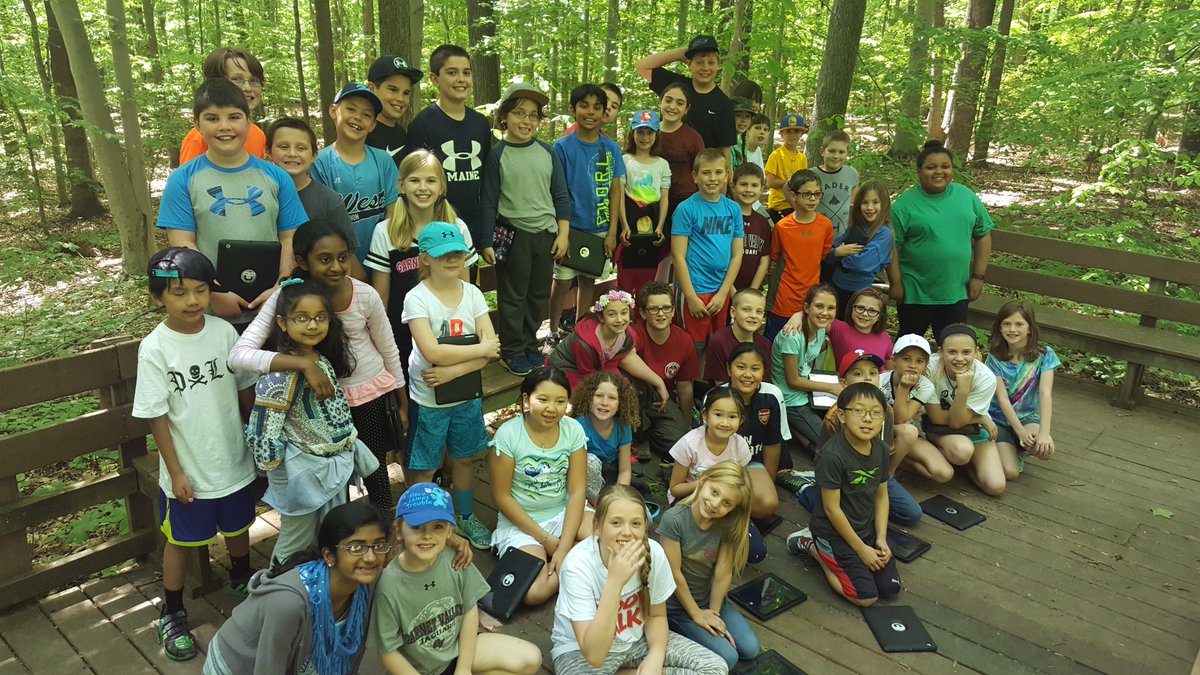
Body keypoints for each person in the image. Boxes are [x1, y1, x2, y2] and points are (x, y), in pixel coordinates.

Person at [230, 220, 409, 518]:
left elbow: (389, 349)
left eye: (344, 257)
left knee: (374, 466)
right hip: (316, 405)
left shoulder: (364, 295)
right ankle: (339, 541)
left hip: (368, 394)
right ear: (302, 261)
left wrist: (402, 401)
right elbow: (239, 355)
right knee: (330, 476)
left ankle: (382, 532)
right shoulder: (288, 296)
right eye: (324, 259)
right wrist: (302, 363)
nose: (337, 267)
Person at [132, 248, 258, 661]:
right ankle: (172, 611)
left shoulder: (223, 332)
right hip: (189, 470)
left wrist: (258, 439)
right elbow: (157, 417)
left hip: (233, 458)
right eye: (179, 292)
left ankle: (243, 577)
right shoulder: (155, 348)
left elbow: (244, 388)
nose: (191, 301)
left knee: (240, 525)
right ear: (158, 298)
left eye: (201, 291)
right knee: (180, 540)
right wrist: (175, 471)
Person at [242, 279, 378, 565]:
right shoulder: (279, 377)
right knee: (295, 542)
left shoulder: (321, 360)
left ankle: (321, 591)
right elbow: (263, 431)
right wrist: (279, 475)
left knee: (330, 533)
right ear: (281, 322)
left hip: (332, 466)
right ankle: (276, 592)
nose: (312, 325)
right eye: (301, 318)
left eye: (320, 317)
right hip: (301, 476)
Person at [157, 79, 306, 321]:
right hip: (211, 310)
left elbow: (290, 236)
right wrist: (215, 291)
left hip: (273, 307)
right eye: (212, 118)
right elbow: (184, 244)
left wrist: (281, 286)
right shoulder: (182, 179)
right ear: (197, 124)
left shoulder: (277, 177)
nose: (224, 127)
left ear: (248, 122)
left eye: (234, 117)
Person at [550, 484, 728, 675]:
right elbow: (595, 656)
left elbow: (657, 615)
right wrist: (615, 583)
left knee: (716, 668)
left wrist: (656, 657)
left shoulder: (654, 553)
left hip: (636, 641)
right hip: (581, 652)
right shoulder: (577, 566)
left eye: (635, 524)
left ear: (645, 526)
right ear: (597, 526)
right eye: (616, 523)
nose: (627, 532)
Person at [369, 483, 543, 675]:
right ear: (399, 530)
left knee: (530, 658)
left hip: (457, 653)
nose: (427, 536)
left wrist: (463, 668)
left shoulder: (455, 558)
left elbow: (469, 610)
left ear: (450, 530)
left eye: (438, 527)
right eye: (417, 527)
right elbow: (388, 650)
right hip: (415, 669)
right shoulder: (389, 584)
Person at [202, 502, 388, 674]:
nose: (371, 557)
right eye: (356, 548)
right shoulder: (289, 604)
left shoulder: (369, 582)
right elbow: (268, 669)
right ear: (329, 556)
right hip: (238, 666)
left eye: (378, 545)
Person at [402, 222, 498, 549]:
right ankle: (419, 523)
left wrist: (452, 372)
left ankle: (466, 517)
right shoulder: (417, 298)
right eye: (444, 254)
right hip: (429, 400)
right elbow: (432, 351)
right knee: (425, 465)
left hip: (464, 394)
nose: (453, 259)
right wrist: (480, 352)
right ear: (425, 258)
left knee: (463, 458)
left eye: (458, 252)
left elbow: (491, 349)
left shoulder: (471, 294)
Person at [366, 150, 478, 398]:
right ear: (401, 185)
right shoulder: (386, 232)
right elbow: (381, 300)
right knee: (410, 407)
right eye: (415, 180)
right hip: (402, 336)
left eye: (431, 180)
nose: (423, 188)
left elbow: (466, 290)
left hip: (448, 334)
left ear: (442, 187)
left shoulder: (457, 229)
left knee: (451, 401)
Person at [480, 83, 571, 376]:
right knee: (513, 295)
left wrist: (563, 233)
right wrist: (485, 241)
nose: (527, 121)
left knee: (538, 294)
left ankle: (531, 345)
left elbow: (560, 196)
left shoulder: (548, 151)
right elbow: (489, 201)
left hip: (545, 236)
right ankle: (512, 349)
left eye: (534, 115)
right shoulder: (497, 155)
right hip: (513, 235)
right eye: (519, 113)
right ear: (505, 116)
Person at [785, 383, 901, 607]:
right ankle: (813, 546)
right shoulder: (832, 455)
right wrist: (861, 550)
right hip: (833, 534)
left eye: (876, 413)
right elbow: (831, 508)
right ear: (842, 415)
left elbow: (881, 496)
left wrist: (881, 539)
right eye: (858, 411)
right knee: (866, 597)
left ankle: (853, 553)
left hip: (865, 529)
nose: (868, 419)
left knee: (890, 587)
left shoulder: (880, 449)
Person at [490, 368, 593, 606]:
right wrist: (547, 541)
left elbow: (578, 491)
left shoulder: (573, 430)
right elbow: (502, 497)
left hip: (564, 512)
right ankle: (583, 562)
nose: (551, 408)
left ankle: (570, 556)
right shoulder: (508, 435)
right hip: (522, 523)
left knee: (614, 542)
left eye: (560, 401)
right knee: (533, 592)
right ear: (527, 400)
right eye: (543, 399)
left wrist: (564, 547)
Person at [796, 352, 922, 526]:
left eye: (873, 373)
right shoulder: (836, 416)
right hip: (843, 477)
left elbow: (883, 454)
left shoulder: (886, 411)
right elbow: (823, 458)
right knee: (840, 514)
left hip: (874, 473)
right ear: (844, 383)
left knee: (912, 514)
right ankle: (807, 491)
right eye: (858, 373)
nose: (867, 378)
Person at [887, 140, 994, 340]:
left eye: (945, 166)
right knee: (908, 346)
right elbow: (893, 247)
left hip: (955, 290)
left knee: (953, 348)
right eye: (931, 167)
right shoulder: (904, 205)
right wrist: (896, 283)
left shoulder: (966, 196)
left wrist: (978, 277)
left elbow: (983, 234)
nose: (939, 172)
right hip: (915, 292)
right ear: (918, 171)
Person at [659, 462, 760, 670]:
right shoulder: (675, 520)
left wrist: (713, 614)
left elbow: (722, 573)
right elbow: (674, 573)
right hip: (677, 606)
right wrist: (696, 614)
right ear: (703, 481)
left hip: (709, 600)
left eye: (726, 503)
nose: (715, 504)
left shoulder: (726, 524)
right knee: (728, 658)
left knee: (750, 649)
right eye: (714, 492)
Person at [546, 84, 627, 341]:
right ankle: (553, 331)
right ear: (573, 110)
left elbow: (616, 190)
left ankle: (579, 329)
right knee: (561, 282)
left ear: (604, 113)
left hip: (600, 227)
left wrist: (612, 232)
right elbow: (557, 191)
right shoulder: (562, 147)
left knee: (588, 280)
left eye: (597, 107)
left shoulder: (611, 148)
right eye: (584, 106)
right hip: (570, 227)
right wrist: (563, 231)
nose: (590, 112)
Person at [403, 45, 494, 259]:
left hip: (472, 229)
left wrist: (485, 233)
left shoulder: (480, 123)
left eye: (466, 72)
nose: (461, 79)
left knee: (468, 290)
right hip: (435, 231)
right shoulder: (423, 124)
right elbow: (414, 182)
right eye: (452, 73)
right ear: (435, 79)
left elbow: (486, 180)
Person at [667, 390, 766, 563]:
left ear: (741, 420)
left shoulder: (740, 446)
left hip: (724, 503)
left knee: (756, 552)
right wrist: (704, 484)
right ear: (705, 415)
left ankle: (717, 539)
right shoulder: (689, 444)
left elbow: (739, 486)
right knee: (698, 546)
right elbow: (675, 488)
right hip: (691, 499)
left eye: (732, 417)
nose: (725, 423)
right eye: (718, 414)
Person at [266, 116, 366, 282]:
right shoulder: (260, 195)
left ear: (313, 155)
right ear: (269, 152)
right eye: (283, 147)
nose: (292, 154)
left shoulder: (329, 200)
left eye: (301, 148)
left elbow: (347, 256)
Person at [310, 83, 400, 264]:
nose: (358, 117)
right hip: (337, 264)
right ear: (334, 111)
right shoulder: (319, 163)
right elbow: (322, 225)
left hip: (382, 259)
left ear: (373, 124)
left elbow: (393, 212)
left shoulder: (383, 161)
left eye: (367, 115)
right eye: (351, 109)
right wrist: (352, 265)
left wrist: (383, 260)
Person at [546, 289, 670, 406]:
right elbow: (589, 377)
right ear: (601, 317)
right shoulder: (584, 343)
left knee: (625, 390)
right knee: (591, 399)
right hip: (569, 369)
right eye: (612, 314)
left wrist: (658, 383)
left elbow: (615, 362)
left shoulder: (627, 336)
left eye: (624, 313)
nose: (619, 319)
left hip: (599, 368)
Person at [672, 148, 744, 345]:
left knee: (717, 343)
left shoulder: (733, 209)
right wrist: (690, 296)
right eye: (706, 172)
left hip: (720, 291)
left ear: (727, 175)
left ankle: (714, 378)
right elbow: (678, 256)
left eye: (719, 172)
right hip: (695, 290)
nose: (713, 178)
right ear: (695, 176)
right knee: (692, 347)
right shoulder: (686, 209)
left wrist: (724, 293)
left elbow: (737, 254)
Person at [925, 324, 1004, 496]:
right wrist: (979, 415)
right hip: (941, 429)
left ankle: (967, 466)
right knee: (962, 451)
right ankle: (952, 455)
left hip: (974, 430)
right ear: (940, 352)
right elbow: (941, 419)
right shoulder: (930, 367)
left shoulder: (985, 377)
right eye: (952, 352)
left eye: (966, 352)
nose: (959, 358)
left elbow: (958, 420)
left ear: (976, 352)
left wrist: (978, 420)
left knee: (996, 487)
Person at [711, 342, 793, 501]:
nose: (747, 374)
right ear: (729, 369)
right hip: (722, 463)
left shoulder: (772, 395)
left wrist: (768, 483)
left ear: (763, 372)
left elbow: (773, 443)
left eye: (755, 369)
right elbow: (708, 445)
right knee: (722, 496)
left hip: (754, 462)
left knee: (768, 503)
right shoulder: (715, 397)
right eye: (740, 367)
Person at [986, 300, 1060, 475]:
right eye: (1007, 324)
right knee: (1011, 473)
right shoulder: (994, 358)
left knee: (1044, 451)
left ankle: (1016, 446)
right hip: (999, 419)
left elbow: (1045, 394)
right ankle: (1006, 445)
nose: (1012, 329)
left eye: (1019, 324)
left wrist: (1044, 432)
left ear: (1029, 329)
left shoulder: (1045, 354)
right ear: (1000, 328)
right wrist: (1019, 431)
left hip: (1027, 417)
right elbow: (1002, 399)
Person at [636, 34, 737, 158]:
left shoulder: (724, 104)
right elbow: (642, 66)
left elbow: (724, 151)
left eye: (711, 63)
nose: (705, 68)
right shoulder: (675, 86)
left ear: (718, 65)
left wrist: (726, 176)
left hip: (700, 170)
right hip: (660, 163)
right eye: (699, 62)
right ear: (689, 64)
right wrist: (681, 53)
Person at [632, 281, 698, 461]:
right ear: (643, 313)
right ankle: (638, 437)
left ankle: (652, 432)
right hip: (632, 399)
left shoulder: (684, 340)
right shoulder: (635, 333)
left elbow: (685, 388)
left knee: (680, 444)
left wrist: (687, 427)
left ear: (673, 311)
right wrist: (657, 381)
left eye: (666, 308)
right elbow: (624, 358)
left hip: (661, 402)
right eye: (654, 309)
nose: (661, 314)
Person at [766, 170, 834, 339]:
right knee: (775, 343)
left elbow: (823, 254)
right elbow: (775, 258)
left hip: (811, 298)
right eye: (806, 194)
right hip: (783, 298)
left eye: (817, 194)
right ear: (794, 195)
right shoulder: (782, 227)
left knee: (805, 346)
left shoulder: (825, 225)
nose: (813, 199)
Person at [772, 284, 840, 449]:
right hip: (790, 398)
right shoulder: (793, 336)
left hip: (809, 390)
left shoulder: (821, 329)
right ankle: (801, 437)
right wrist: (831, 388)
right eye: (819, 306)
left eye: (831, 308)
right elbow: (793, 381)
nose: (825, 312)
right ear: (807, 308)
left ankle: (798, 433)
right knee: (830, 441)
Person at [881, 334, 955, 484]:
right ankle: (888, 474)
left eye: (919, 361)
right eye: (906, 358)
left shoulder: (926, 385)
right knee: (908, 431)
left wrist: (904, 388)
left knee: (944, 473)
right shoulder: (879, 380)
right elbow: (900, 420)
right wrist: (903, 387)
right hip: (879, 430)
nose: (912, 365)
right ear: (894, 360)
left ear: (925, 365)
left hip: (906, 435)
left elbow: (902, 417)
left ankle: (897, 460)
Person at [616, 110, 671, 297]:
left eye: (649, 132)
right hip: (631, 220)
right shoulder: (625, 160)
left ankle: (643, 316)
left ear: (657, 135)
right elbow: (620, 195)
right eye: (640, 132)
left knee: (647, 276)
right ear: (632, 133)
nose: (645, 137)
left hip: (652, 220)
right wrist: (623, 225)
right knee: (626, 273)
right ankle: (624, 314)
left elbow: (664, 197)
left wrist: (661, 226)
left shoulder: (662, 164)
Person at [179, 47, 267, 164]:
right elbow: (188, 180)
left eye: (254, 81)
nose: (247, 88)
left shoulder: (258, 135)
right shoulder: (198, 139)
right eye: (237, 79)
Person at [571, 372, 640, 504]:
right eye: (598, 396)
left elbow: (625, 471)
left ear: (621, 402)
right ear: (588, 398)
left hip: (610, 476)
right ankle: (600, 508)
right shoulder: (578, 426)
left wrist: (619, 499)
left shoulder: (623, 427)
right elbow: (575, 470)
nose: (604, 403)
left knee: (644, 514)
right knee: (590, 462)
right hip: (583, 481)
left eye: (612, 398)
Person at [827, 180, 893, 312]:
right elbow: (829, 252)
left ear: (884, 204)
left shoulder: (884, 234)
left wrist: (840, 254)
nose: (869, 207)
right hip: (835, 287)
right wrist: (836, 252)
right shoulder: (855, 227)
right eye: (865, 202)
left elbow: (861, 263)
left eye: (875, 202)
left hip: (859, 293)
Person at [656, 82, 705, 218]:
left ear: (687, 109)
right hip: (649, 202)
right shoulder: (648, 132)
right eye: (668, 100)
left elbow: (702, 172)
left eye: (679, 103)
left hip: (685, 204)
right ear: (660, 102)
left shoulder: (693, 138)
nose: (672, 107)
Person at [703, 290, 773, 386]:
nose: (753, 315)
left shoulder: (765, 344)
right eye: (747, 309)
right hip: (726, 396)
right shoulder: (719, 341)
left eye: (759, 312)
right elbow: (720, 385)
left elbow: (764, 382)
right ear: (733, 312)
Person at [365, 55, 424, 164]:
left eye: (406, 93)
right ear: (372, 89)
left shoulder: (401, 133)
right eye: (393, 89)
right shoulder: (362, 132)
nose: (400, 98)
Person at [828, 287, 894, 367]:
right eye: (860, 308)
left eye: (872, 311)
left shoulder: (885, 338)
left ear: (879, 316)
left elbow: (890, 367)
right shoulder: (837, 327)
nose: (865, 314)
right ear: (851, 307)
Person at [731, 163, 771, 292]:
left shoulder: (763, 223)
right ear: (733, 186)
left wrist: (752, 292)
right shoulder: (725, 219)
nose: (748, 190)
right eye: (743, 184)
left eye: (754, 185)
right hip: (724, 291)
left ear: (762, 189)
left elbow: (764, 260)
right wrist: (732, 292)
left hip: (750, 292)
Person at [813, 129, 859, 239]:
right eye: (832, 151)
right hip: (817, 234)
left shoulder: (852, 173)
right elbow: (788, 188)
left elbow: (852, 202)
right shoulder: (812, 174)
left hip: (842, 235)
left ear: (847, 153)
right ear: (822, 151)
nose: (836, 156)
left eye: (841, 152)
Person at [764, 114, 809, 223]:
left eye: (796, 131)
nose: (792, 135)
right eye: (788, 131)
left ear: (802, 133)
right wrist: (791, 183)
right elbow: (770, 183)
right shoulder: (776, 155)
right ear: (781, 134)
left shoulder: (802, 158)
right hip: (779, 206)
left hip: (796, 204)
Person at [729, 96, 756, 169]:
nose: (743, 120)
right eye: (739, 115)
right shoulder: (725, 145)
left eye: (747, 116)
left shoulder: (741, 144)